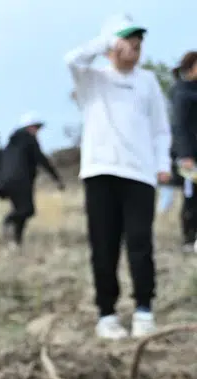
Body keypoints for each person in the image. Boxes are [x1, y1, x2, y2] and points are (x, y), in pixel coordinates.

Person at [66, 14, 172, 340]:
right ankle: (107, 314)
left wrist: (162, 163)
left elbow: (160, 130)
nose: (134, 49)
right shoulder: (92, 80)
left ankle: (143, 309)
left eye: (138, 44)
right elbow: (71, 58)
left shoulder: (148, 82)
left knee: (140, 242)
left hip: (139, 175)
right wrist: (107, 43)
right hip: (100, 172)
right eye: (127, 42)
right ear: (112, 45)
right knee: (104, 245)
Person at [0, 113, 65, 246]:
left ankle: (16, 241)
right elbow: (41, 159)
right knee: (27, 210)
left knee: (21, 209)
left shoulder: (11, 142)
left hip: (5, 181)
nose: (37, 131)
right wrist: (56, 179)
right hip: (20, 181)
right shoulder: (29, 139)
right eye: (36, 127)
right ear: (29, 127)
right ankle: (8, 221)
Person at [172, 52, 197, 252]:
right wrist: (185, 155)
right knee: (191, 197)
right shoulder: (181, 93)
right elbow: (180, 126)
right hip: (189, 156)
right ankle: (189, 239)